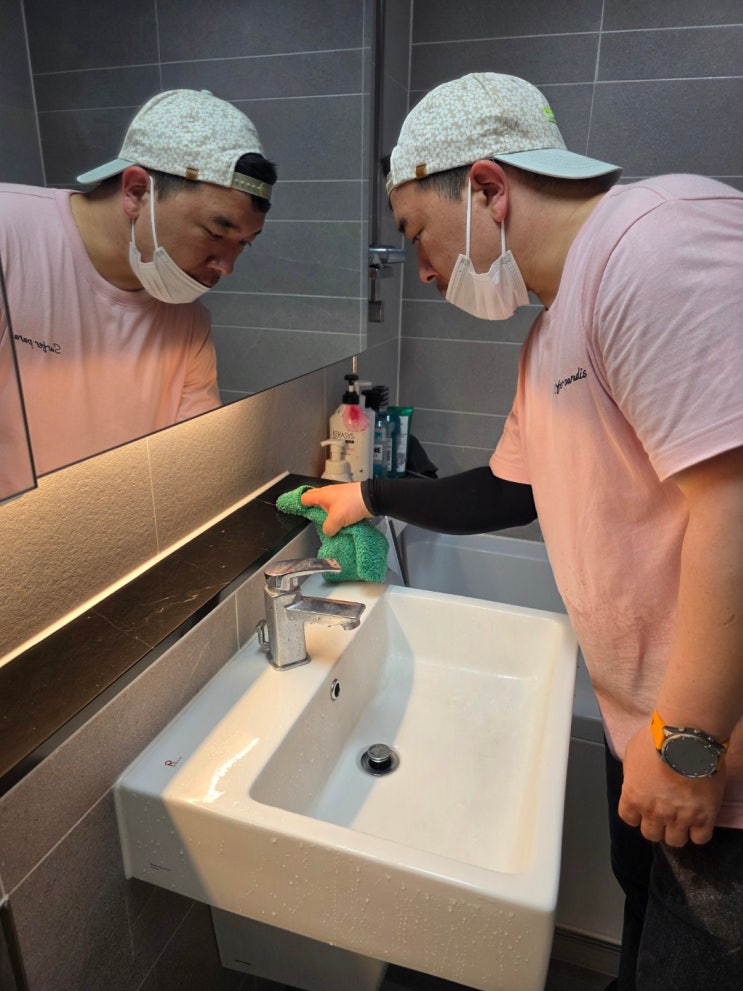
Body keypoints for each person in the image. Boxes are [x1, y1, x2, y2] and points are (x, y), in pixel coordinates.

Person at [301, 73, 743, 990]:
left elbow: (735, 501)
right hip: (647, 728)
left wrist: (687, 744)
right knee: (645, 935)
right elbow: (509, 492)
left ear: (488, 189)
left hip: (708, 747)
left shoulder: (652, 246)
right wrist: (368, 496)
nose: (421, 269)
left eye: (416, 232)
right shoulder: (553, 335)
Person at [0, 88, 277, 479]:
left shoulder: (188, 320)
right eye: (215, 233)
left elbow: (195, 460)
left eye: (243, 243)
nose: (226, 266)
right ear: (136, 192)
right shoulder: (9, 241)